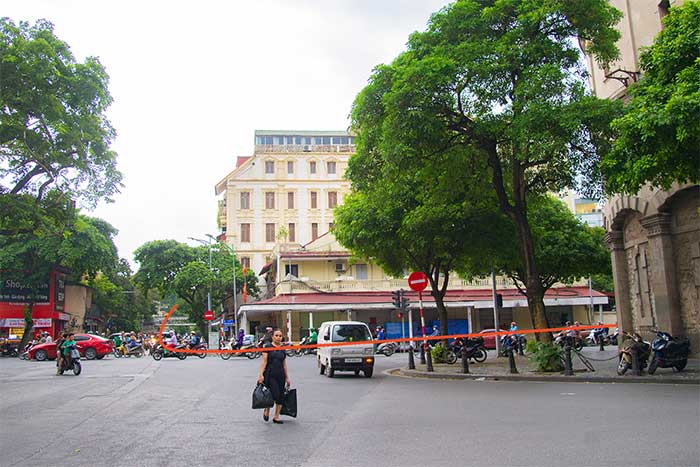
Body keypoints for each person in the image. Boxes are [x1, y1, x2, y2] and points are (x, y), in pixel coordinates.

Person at [257, 328, 291, 424]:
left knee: (280, 396)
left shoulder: (283, 349)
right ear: (272, 337)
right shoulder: (267, 346)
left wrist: (287, 377)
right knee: (273, 394)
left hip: (280, 375)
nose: (278, 337)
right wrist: (261, 375)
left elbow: (284, 364)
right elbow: (264, 362)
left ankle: (276, 417)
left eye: (280, 336)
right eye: (276, 335)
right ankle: (267, 409)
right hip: (270, 374)